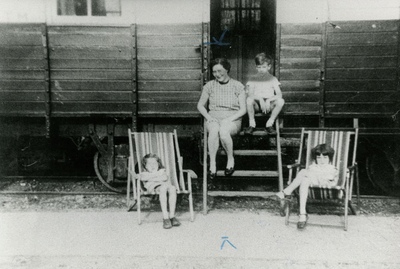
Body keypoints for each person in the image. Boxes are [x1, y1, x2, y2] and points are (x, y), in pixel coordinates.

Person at [197, 58, 246, 179]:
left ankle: (230, 160)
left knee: (224, 132)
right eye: (214, 72)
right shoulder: (209, 85)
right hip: (213, 117)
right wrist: (208, 117)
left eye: (220, 71)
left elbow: (243, 109)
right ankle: (212, 164)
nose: (217, 74)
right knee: (214, 131)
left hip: (232, 119)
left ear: (227, 69)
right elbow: (200, 105)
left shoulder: (238, 86)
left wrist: (230, 119)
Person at [275, 144, 339, 230]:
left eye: (325, 158)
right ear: (315, 158)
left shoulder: (333, 168)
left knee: (303, 172)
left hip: (327, 188)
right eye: (319, 158)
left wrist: (314, 172)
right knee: (304, 180)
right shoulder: (313, 167)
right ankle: (302, 214)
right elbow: (312, 176)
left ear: (330, 158)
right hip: (313, 186)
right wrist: (313, 171)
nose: (322, 161)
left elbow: (326, 179)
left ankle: (286, 192)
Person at [244, 53, 284, 135]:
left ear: (269, 67)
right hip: (257, 104)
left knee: (281, 101)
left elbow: (279, 95)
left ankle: (269, 124)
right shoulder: (253, 79)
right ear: (256, 67)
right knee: (249, 100)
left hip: (269, 104)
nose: (261, 69)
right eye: (259, 67)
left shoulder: (273, 79)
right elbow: (250, 94)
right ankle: (252, 124)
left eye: (264, 67)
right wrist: (260, 99)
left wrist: (269, 100)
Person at [140, 153, 180, 229]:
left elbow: (164, 177)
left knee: (172, 188)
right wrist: (157, 176)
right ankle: (165, 217)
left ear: (158, 164)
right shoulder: (144, 173)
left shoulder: (162, 171)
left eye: (155, 163)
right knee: (163, 187)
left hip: (165, 186)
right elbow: (143, 178)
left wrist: (151, 178)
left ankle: (172, 216)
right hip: (154, 187)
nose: (153, 166)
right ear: (145, 166)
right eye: (149, 164)